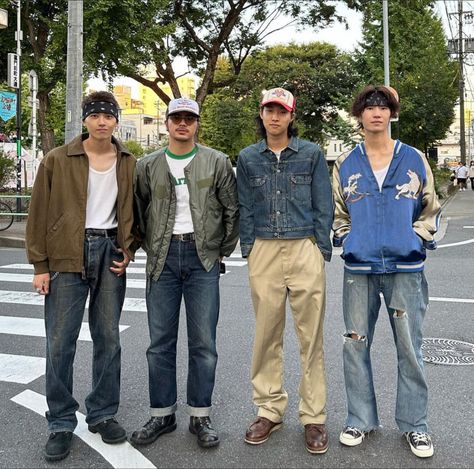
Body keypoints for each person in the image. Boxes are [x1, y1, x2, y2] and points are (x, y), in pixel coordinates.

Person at [26, 91, 139, 462]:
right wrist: (40, 267)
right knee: (60, 342)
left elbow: (138, 212)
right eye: (96, 115)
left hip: (109, 252)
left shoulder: (128, 162)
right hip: (66, 256)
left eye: (109, 115)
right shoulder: (58, 159)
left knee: (108, 338)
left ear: (116, 121)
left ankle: (103, 413)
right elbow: (38, 213)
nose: (102, 121)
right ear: (85, 120)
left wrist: (130, 250)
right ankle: (60, 421)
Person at [332, 85, 441, 458]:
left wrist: (415, 238)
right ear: (359, 115)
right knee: (354, 344)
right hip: (358, 268)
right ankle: (359, 419)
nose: (376, 112)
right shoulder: (346, 163)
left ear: (392, 114)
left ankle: (416, 426)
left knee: (410, 348)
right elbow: (338, 213)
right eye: (369, 106)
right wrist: (349, 239)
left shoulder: (413, 159)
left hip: (405, 267)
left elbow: (430, 208)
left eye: (383, 107)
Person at [132, 97, 239, 449]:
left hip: (202, 259)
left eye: (189, 118)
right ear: (166, 123)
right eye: (176, 118)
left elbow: (231, 210)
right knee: (159, 344)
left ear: (196, 124)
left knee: (203, 344)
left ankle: (200, 416)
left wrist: (218, 250)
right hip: (162, 259)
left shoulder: (216, 161)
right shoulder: (147, 164)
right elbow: (138, 209)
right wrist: (147, 248)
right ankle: (162, 414)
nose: (182, 124)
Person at [237, 87, 333, 454]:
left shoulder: (310, 154)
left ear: (292, 116)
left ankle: (314, 416)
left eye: (281, 111)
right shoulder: (248, 158)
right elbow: (245, 206)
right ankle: (269, 409)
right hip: (263, 247)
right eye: (268, 110)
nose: (275, 117)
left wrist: (319, 247)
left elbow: (322, 202)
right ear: (261, 115)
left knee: (311, 337)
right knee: (266, 333)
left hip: (303, 246)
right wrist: (249, 249)